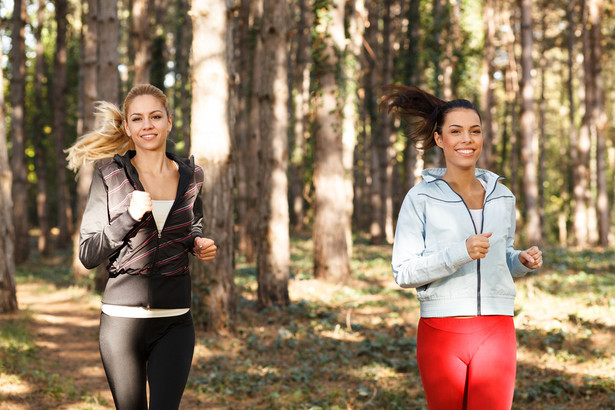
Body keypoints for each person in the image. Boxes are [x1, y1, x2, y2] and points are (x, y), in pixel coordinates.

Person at [381, 85, 542, 410]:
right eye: (456, 131)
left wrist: (520, 261)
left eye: (475, 131)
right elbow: (404, 271)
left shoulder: (502, 196)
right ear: (440, 139)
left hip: (496, 329)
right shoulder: (421, 197)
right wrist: (459, 253)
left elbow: (499, 258)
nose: (467, 139)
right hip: (441, 330)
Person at [65, 84, 217, 410]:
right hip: (122, 323)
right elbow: (88, 253)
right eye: (138, 118)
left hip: (176, 321)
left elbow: (191, 225)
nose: (147, 125)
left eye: (155, 116)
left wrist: (197, 243)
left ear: (169, 122)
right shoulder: (109, 175)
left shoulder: (191, 176)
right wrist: (128, 218)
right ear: (127, 127)